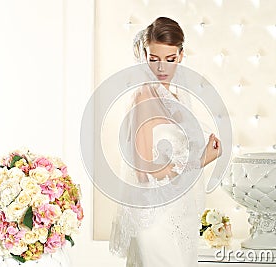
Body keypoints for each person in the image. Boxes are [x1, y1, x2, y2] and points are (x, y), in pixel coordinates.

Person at [109, 17, 222, 267]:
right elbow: (144, 172)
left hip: (179, 213)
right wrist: (202, 160)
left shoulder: (176, 97)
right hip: (155, 218)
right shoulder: (143, 97)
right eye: (153, 59)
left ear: (181, 56)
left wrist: (200, 157)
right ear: (144, 55)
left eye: (169, 59)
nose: (161, 68)